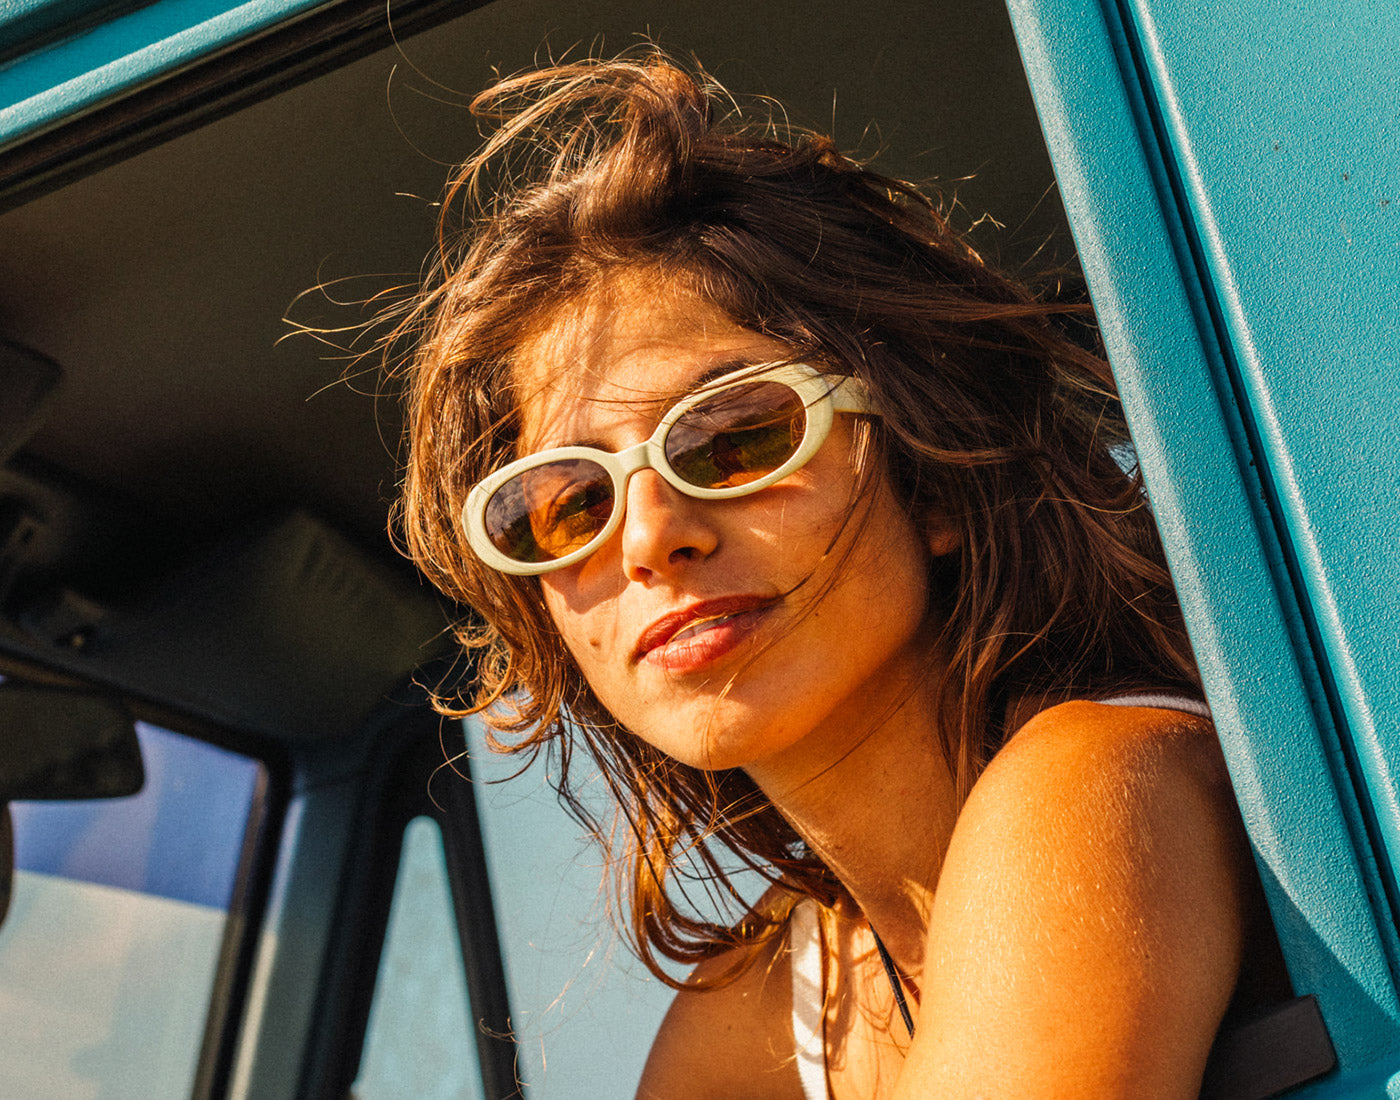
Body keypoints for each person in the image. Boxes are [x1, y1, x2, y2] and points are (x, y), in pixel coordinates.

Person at [394, 50, 1285, 1099]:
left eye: (734, 436)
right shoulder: (782, 993)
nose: (647, 538)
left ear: (936, 475)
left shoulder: (1095, 780)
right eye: (563, 504)